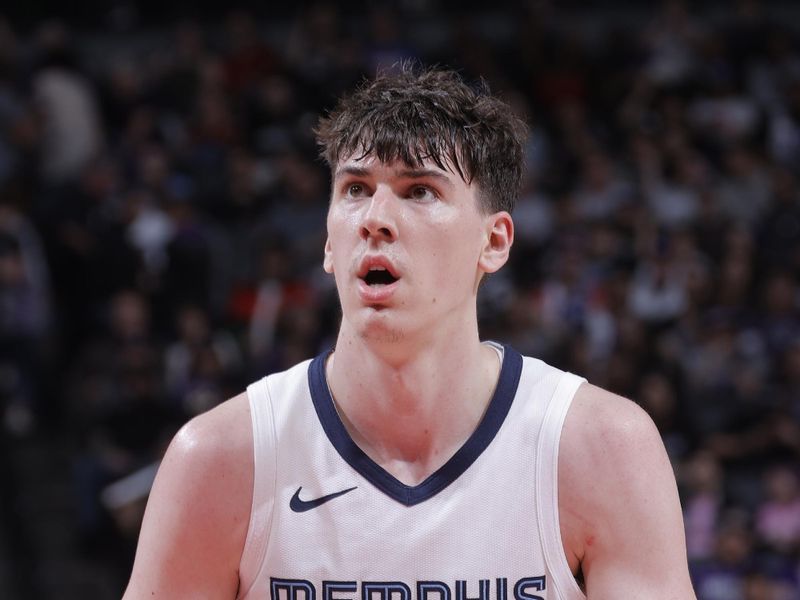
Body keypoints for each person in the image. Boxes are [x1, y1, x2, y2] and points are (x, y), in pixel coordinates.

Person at [123, 65, 696, 599]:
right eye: (354, 189)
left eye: (419, 190)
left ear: (493, 242)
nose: (374, 217)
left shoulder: (600, 448)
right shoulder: (221, 459)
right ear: (328, 241)